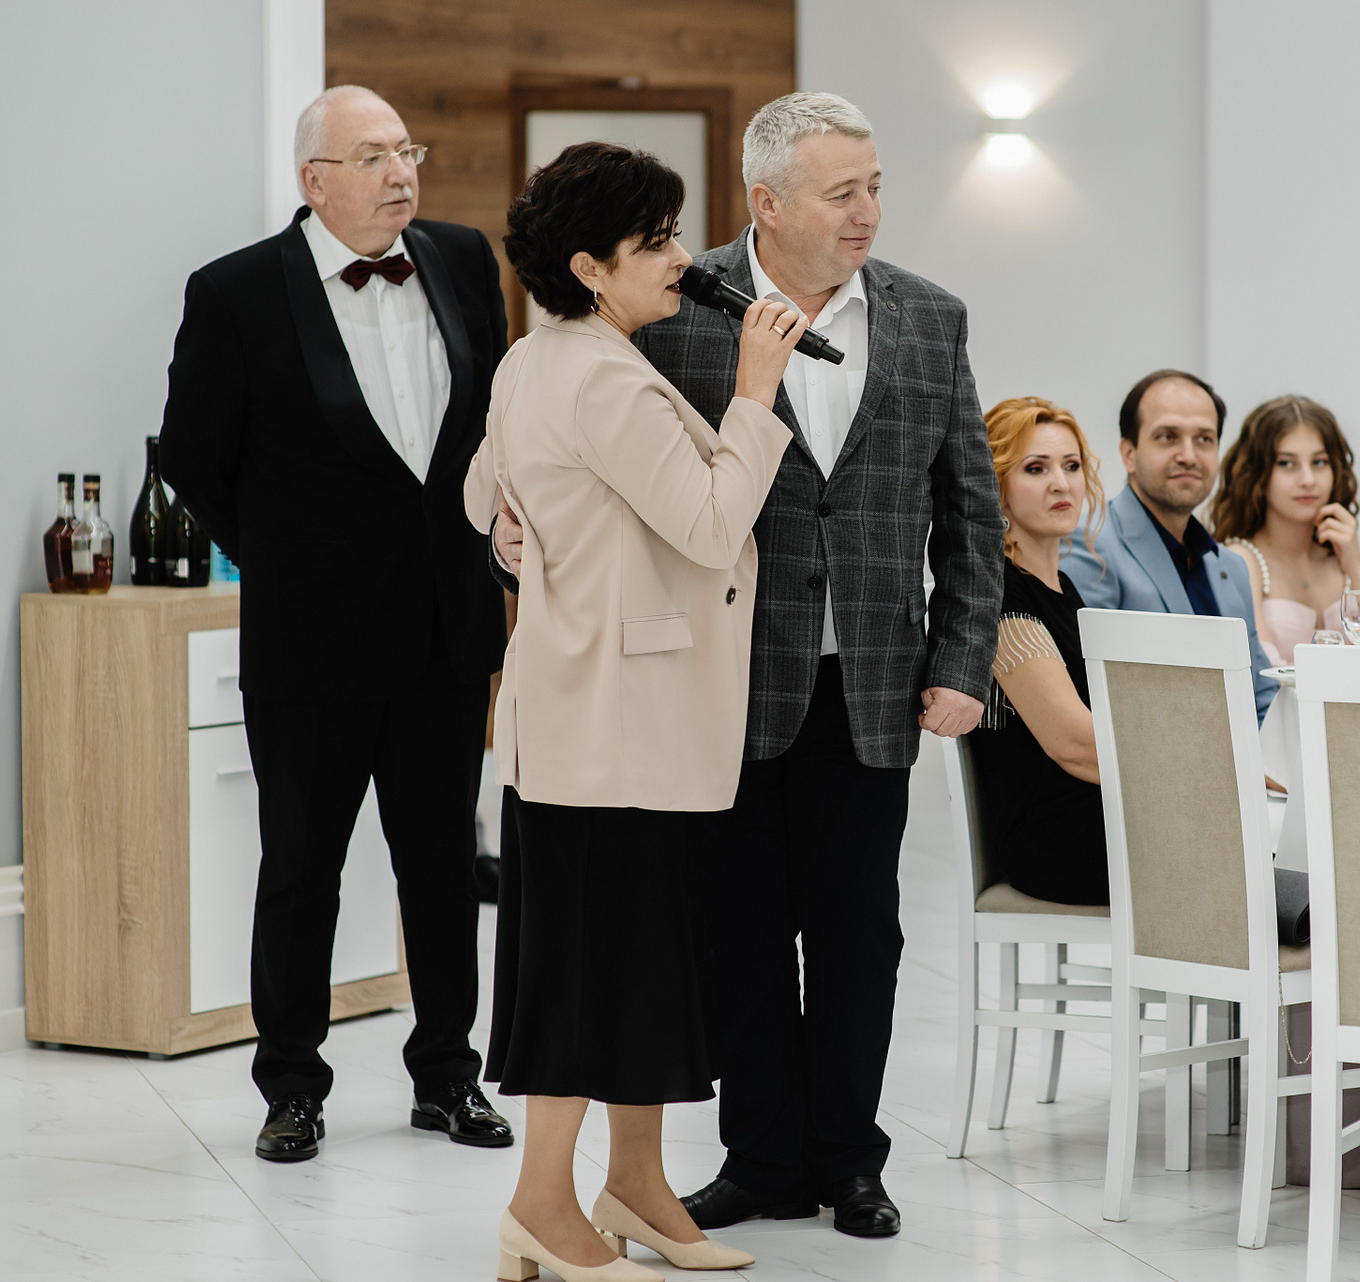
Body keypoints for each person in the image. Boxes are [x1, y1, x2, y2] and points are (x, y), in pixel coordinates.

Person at [492, 91, 1002, 1239]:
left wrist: (965, 659)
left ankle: (851, 1159)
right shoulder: (670, 305)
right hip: (718, 684)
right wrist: (508, 531)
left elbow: (969, 506)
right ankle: (760, 1158)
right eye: (843, 192)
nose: (868, 211)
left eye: (875, 187)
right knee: (737, 931)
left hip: (874, 679)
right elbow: (562, 457)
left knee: (862, 935)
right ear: (766, 200)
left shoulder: (931, 317)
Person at [467, 142, 805, 1282]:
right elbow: (709, 524)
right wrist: (754, 395)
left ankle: (636, 1185)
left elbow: (478, 493)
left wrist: (514, 523)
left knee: (644, 962)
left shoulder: (538, 359)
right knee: (591, 970)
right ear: (588, 268)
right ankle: (539, 1206)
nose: (679, 257)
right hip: (615, 724)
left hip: (593, 714)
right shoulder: (604, 378)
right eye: (653, 241)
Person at [159, 86, 511, 1163]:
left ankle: (448, 1075)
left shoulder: (461, 259)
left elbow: (489, 426)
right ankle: (292, 1087)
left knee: (443, 866)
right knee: (302, 870)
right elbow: (194, 457)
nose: (402, 173)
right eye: (372, 156)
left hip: (446, 630)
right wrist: (287, 556)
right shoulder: (235, 291)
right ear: (315, 180)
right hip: (311, 638)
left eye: (408, 149)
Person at [1059, 369, 1278, 721]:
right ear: (1129, 453)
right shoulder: (1089, 546)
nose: (1189, 455)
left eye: (1204, 439)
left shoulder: (1231, 567)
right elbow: (1091, 694)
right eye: (1167, 437)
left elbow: (1262, 692)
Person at [966, 398, 1111, 906]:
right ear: (997, 487)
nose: (1061, 483)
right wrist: (1205, 766)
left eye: (1071, 466)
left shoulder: (1064, 588)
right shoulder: (1002, 593)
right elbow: (1073, 744)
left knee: (1258, 849)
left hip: (1096, 814)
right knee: (1239, 855)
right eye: (1036, 468)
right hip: (1057, 841)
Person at [1207, 394, 1360, 664]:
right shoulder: (1241, 562)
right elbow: (1260, 672)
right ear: (1257, 474)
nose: (1307, 480)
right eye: (1286, 463)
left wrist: (1357, 569)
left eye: (1319, 462)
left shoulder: (1351, 564)